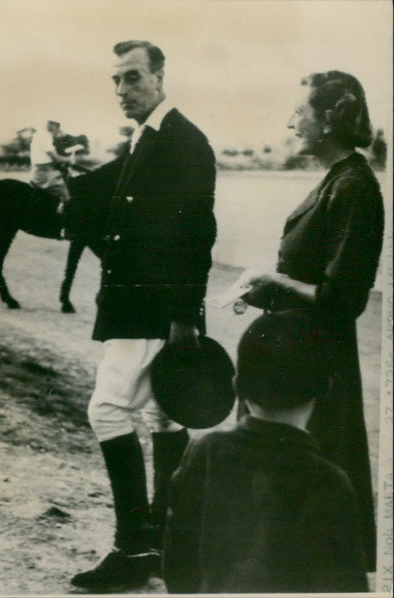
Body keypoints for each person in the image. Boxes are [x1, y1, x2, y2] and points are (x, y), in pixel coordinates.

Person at [67, 40, 216, 592]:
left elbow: (198, 235)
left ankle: (133, 548)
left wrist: (183, 317)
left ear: (159, 75)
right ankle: (166, 548)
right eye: (115, 80)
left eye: (132, 78)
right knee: (163, 416)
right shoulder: (150, 138)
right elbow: (114, 188)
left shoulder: (183, 141)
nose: (121, 91)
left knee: (107, 412)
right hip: (142, 306)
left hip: (152, 309)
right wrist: (65, 183)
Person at [241, 70, 384, 570]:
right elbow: (306, 278)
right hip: (295, 352)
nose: (290, 123)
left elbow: (342, 299)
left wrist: (270, 279)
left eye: (299, 113)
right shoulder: (335, 181)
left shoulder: (356, 188)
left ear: (328, 121)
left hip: (317, 367)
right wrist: (257, 291)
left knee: (308, 502)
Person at [163, 310, 369, 593]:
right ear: (325, 388)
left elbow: (177, 568)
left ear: (237, 385)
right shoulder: (330, 482)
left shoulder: (204, 452)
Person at [29, 120, 73, 213]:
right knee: (65, 196)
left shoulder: (41, 134)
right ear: (54, 125)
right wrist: (69, 160)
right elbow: (55, 157)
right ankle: (65, 223)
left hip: (43, 169)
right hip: (45, 172)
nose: (57, 131)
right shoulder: (45, 136)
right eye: (57, 127)